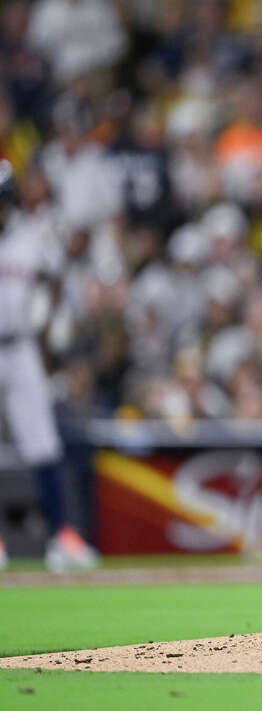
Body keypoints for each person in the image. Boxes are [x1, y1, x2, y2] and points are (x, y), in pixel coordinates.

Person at [0, 159, 98, 572]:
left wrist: (43, 330)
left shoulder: (29, 238)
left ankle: (63, 536)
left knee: (42, 443)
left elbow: (55, 279)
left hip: (20, 348)